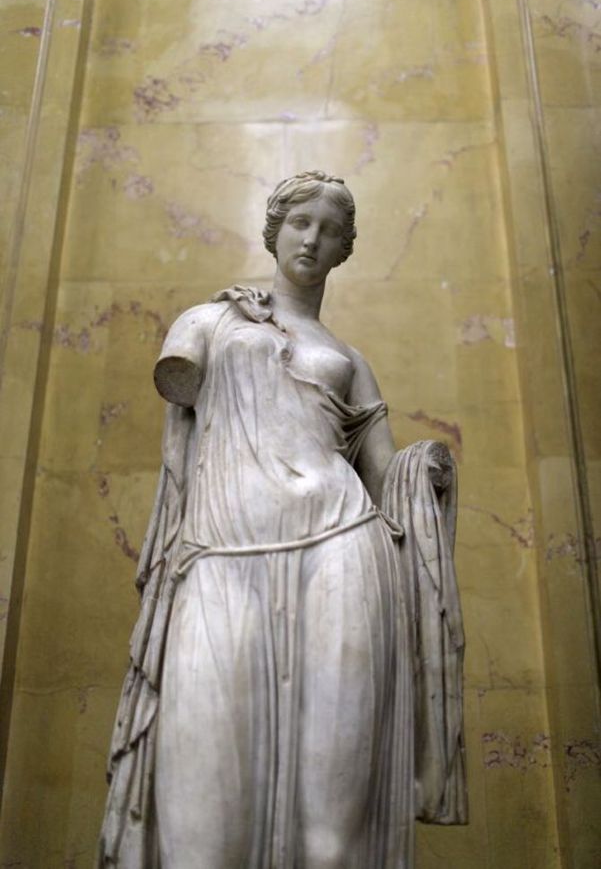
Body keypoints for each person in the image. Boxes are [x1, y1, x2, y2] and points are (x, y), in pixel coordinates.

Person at [98, 171, 467, 869]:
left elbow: (385, 479)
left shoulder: (349, 360)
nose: (312, 239)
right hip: (221, 553)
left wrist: (427, 470)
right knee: (200, 821)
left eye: (329, 231)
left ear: (343, 249)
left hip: (342, 546)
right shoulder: (209, 322)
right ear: (274, 230)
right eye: (300, 222)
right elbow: (177, 379)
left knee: (334, 827)